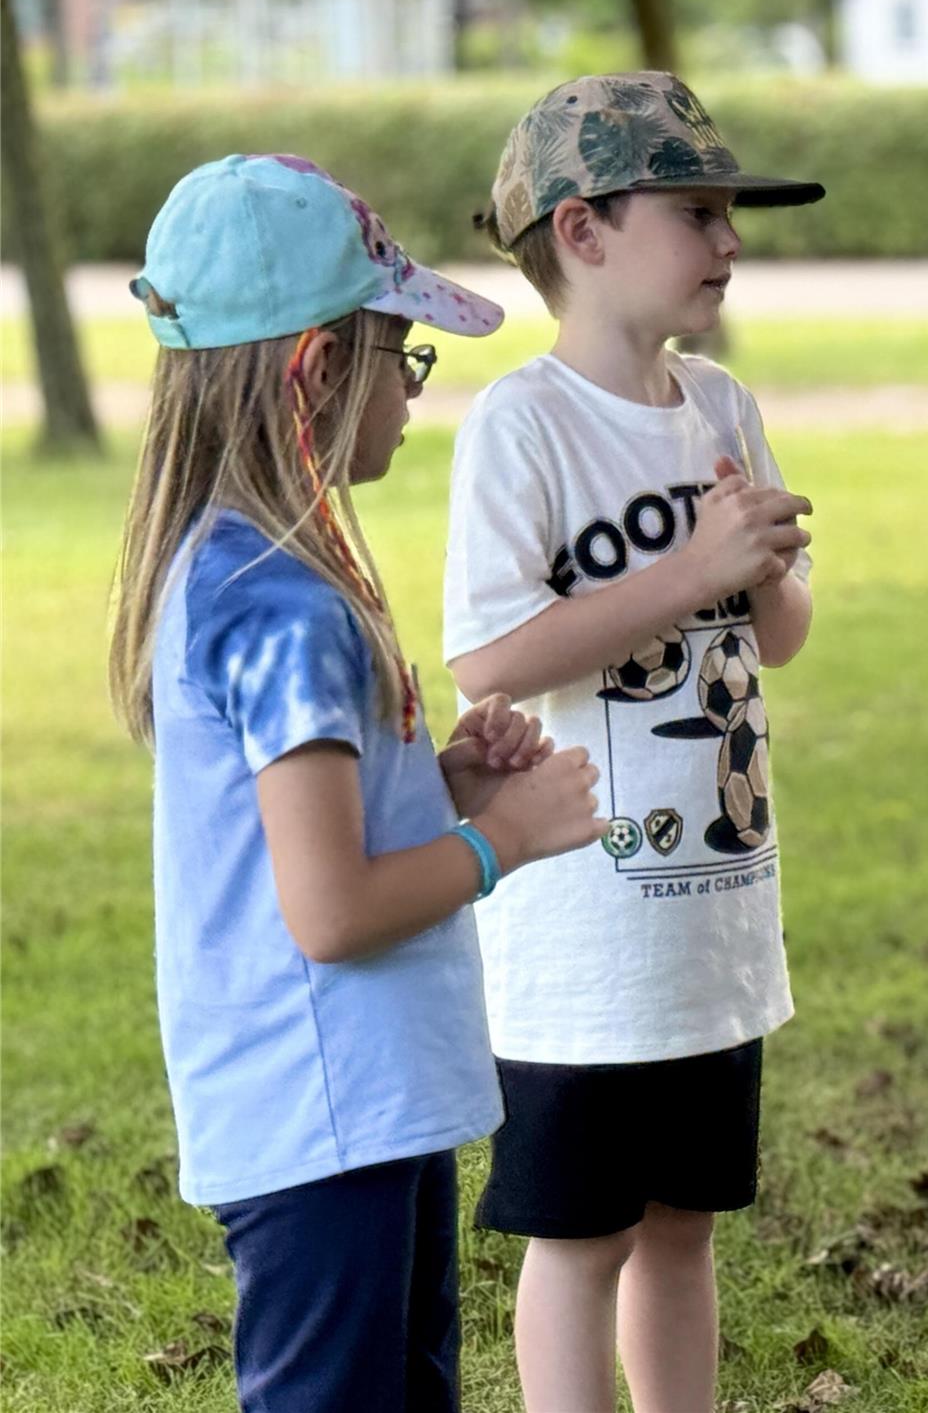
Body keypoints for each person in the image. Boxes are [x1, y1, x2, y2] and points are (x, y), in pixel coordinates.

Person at [105, 153, 606, 1411]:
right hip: (325, 1105)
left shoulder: (238, 566)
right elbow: (327, 911)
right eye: (405, 359)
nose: (411, 395)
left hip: (351, 1100)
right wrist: (509, 843)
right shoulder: (278, 601)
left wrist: (443, 787)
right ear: (319, 370)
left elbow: (312, 832)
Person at [445, 72, 821, 1413]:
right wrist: (689, 567)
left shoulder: (719, 405)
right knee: (583, 1233)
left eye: (732, 216)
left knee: (683, 1223)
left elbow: (776, 637)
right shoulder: (523, 424)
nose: (731, 244)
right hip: (583, 935)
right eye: (699, 212)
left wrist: (765, 567)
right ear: (585, 230)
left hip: (713, 915)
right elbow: (491, 653)